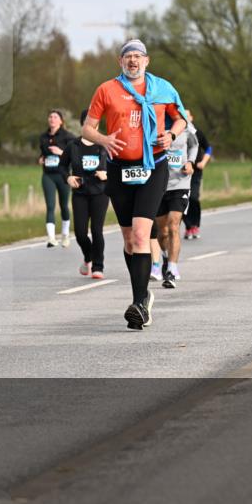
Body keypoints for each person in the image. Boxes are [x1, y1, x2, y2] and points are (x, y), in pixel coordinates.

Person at [82, 39, 188, 331]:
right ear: (121, 62)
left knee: (142, 234)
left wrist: (171, 135)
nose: (133, 61)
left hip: (153, 167)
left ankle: (139, 304)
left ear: (146, 61)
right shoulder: (107, 89)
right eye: (128, 56)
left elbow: (181, 119)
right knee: (129, 240)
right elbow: (87, 128)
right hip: (119, 170)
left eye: (138, 56)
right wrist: (104, 140)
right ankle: (142, 297)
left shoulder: (162, 88)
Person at [59, 109, 110, 279]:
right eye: (89, 121)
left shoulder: (105, 145)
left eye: (95, 122)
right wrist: (68, 178)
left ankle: (98, 266)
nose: (92, 125)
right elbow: (62, 166)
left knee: (96, 230)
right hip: (80, 193)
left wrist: (107, 175)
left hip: (100, 193)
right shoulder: (73, 145)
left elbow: (118, 165)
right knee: (80, 233)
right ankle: (88, 257)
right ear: (83, 124)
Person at [154, 120, 199, 288]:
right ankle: (166, 257)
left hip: (180, 183)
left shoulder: (184, 125)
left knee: (173, 226)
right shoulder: (154, 122)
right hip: (158, 185)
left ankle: (172, 270)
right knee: (162, 232)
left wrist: (190, 162)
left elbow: (194, 144)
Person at [39, 110, 76, 247]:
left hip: (63, 175)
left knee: (64, 205)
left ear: (61, 121)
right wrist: (41, 158)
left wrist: (61, 152)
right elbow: (43, 153)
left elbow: (74, 153)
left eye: (55, 117)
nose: (52, 119)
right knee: (50, 206)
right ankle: (51, 238)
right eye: (50, 117)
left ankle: (65, 235)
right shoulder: (43, 137)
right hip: (48, 175)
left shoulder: (68, 136)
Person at [183, 116, 211, 240]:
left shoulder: (197, 132)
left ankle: (195, 225)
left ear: (191, 117)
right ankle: (188, 227)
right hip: (182, 172)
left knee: (193, 197)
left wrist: (203, 162)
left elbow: (208, 148)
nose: (185, 117)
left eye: (187, 115)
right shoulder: (178, 133)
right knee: (184, 199)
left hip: (196, 171)